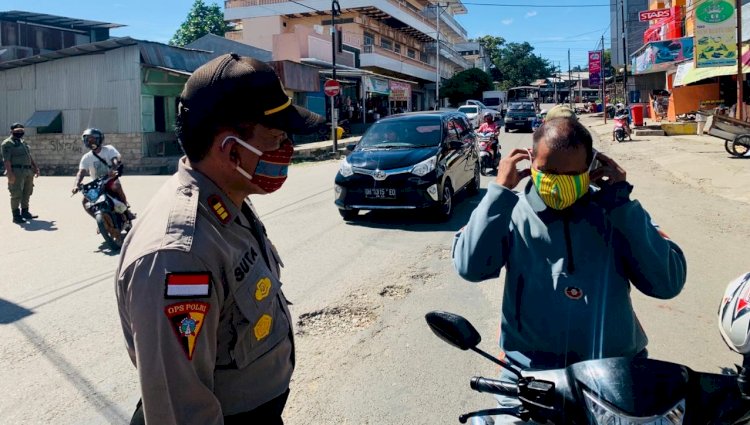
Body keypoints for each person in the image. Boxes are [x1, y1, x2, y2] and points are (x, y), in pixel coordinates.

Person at [115, 53, 323, 425]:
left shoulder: (226, 201)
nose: (287, 150)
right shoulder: (178, 254)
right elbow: (181, 413)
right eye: (277, 139)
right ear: (230, 150)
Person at [452, 118, 686, 424]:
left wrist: (622, 204)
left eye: (573, 174)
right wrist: (498, 191)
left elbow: (667, 282)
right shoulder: (510, 211)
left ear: (592, 167)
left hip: (616, 371)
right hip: (532, 373)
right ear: (530, 161)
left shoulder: (615, 212)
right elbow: (470, 266)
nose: (559, 181)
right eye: (549, 172)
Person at [72, 128, 135, 221]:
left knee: (116, 187)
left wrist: (114, 168)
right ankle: (101, 221)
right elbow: (81, 172)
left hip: (110, 179)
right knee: (85, 202)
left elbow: (115, 159)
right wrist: (76, 185)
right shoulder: (86, 157)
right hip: (96, 184)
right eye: (87, 139)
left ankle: (126, 211)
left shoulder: (109, 149)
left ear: (99, 139)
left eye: (92, 139)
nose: (90, 141)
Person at [2, 123, 39, 223]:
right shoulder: (7, 143)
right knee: (16, 193)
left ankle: (25, 212)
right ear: (11, 131)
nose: (20, 133)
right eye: (17, 131)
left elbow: (28, 156)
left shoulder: (23, 142)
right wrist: (10, 174)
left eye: (21, 131)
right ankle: (16, 216)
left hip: (28, 171)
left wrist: (35, 167)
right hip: (16, 171)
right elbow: (6, 160)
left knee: (27, 192)